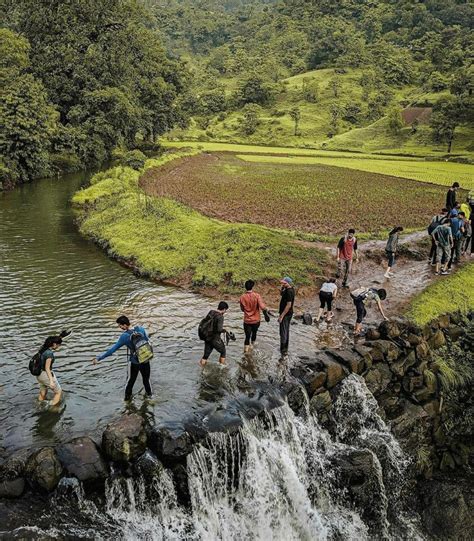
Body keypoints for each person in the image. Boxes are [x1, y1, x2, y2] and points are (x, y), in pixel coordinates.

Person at [92, 315, 152, 401]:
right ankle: (150, 398)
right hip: (146, 359)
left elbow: (112, 350)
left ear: (124, 325)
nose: (120, 328)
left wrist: (99, 358)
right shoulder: (140, 328)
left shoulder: (124, 336)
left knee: (131, 381)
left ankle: (127, 401)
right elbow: (146, 341)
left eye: (120, 326)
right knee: (146, 381)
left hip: (135, 362)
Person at [239, 280, 269, 353]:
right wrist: (267, 311)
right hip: (256, 320)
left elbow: (242, 309)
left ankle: (246, 352)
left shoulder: (242, 297)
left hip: (247, 321)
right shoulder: (257, 295)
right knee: (254, 333)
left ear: (245, 287)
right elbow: (262, 307)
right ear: (252, 287)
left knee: (247, 336)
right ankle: (252, 348)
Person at [199, 301, 229, 367]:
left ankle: (201, 369)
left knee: (205, 356)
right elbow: (218, 329)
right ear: (224, 309)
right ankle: (222, 368)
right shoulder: (220, 317)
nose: (225, 311)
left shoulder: (211, 312)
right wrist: (224, 330)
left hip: (207, 337)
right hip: (214, 338)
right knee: (223, 352)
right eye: (225, 310)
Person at [37, 336, 63, 406]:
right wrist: (51, 381)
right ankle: (52, 408)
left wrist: (61, 336)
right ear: (54, 344)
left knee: (43, 392)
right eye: (58, 345)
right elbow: (47, 368)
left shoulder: (42, 349)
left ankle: (39, 405)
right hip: (46, 375)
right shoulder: (49, 354)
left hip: (39, 374)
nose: (58, 346)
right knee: (58, 392)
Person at [278, 277, 295, 355]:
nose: (282, 284)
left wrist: (281, 316)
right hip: (289, 313)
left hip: (286, 313)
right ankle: (285, 348)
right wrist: (282, 288)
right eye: (282, 283)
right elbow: (281, 294)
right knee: (286, 330)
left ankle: (283, 350)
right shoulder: (289, 289)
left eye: (284, 283)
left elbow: (288, 305)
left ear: (288, 283)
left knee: (283, 331)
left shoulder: (289, 292)